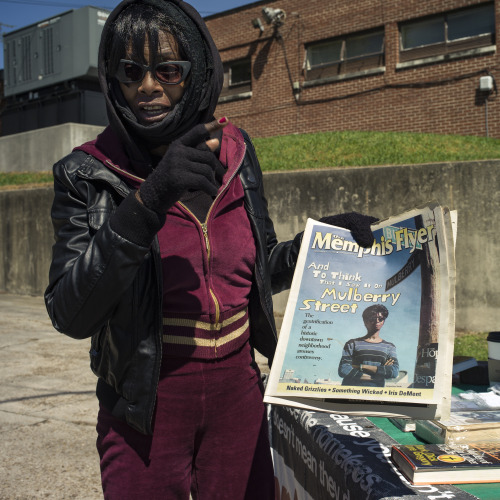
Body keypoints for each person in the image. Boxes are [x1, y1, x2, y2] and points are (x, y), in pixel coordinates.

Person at [44, 0, 376, 498]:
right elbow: (71, 312)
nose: (148, 87)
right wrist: (148, 200)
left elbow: (259, 268)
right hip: (144, 408)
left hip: (238, 396)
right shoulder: (86, 174)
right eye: (130, 71)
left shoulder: (236, 151)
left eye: (167, 69)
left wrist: (320, 243)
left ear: (195, 71)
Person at [338, 305, 399, 387]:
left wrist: (361, 366)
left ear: (383, 321)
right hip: (350, 391)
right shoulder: (352, 344)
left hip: (375, 394)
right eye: (373, 319)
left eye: (381, 319)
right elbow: (344, 369)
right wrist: (378, 374)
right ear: (365, 321)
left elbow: (394, 372)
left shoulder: (389, 347)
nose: (377, 321)